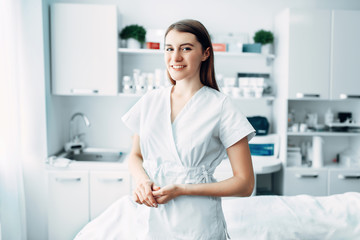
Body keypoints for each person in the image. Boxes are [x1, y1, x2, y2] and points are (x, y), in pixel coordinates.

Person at [75, 19, 255, 240]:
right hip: (150, 213)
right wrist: (142, 181)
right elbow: (135, 155)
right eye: (169, 49)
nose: (175, 57)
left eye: (186, 48)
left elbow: (245, 184)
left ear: (205, 53)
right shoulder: (150, 100)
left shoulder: (221, 106)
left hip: (196, 222)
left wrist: (182, 189)